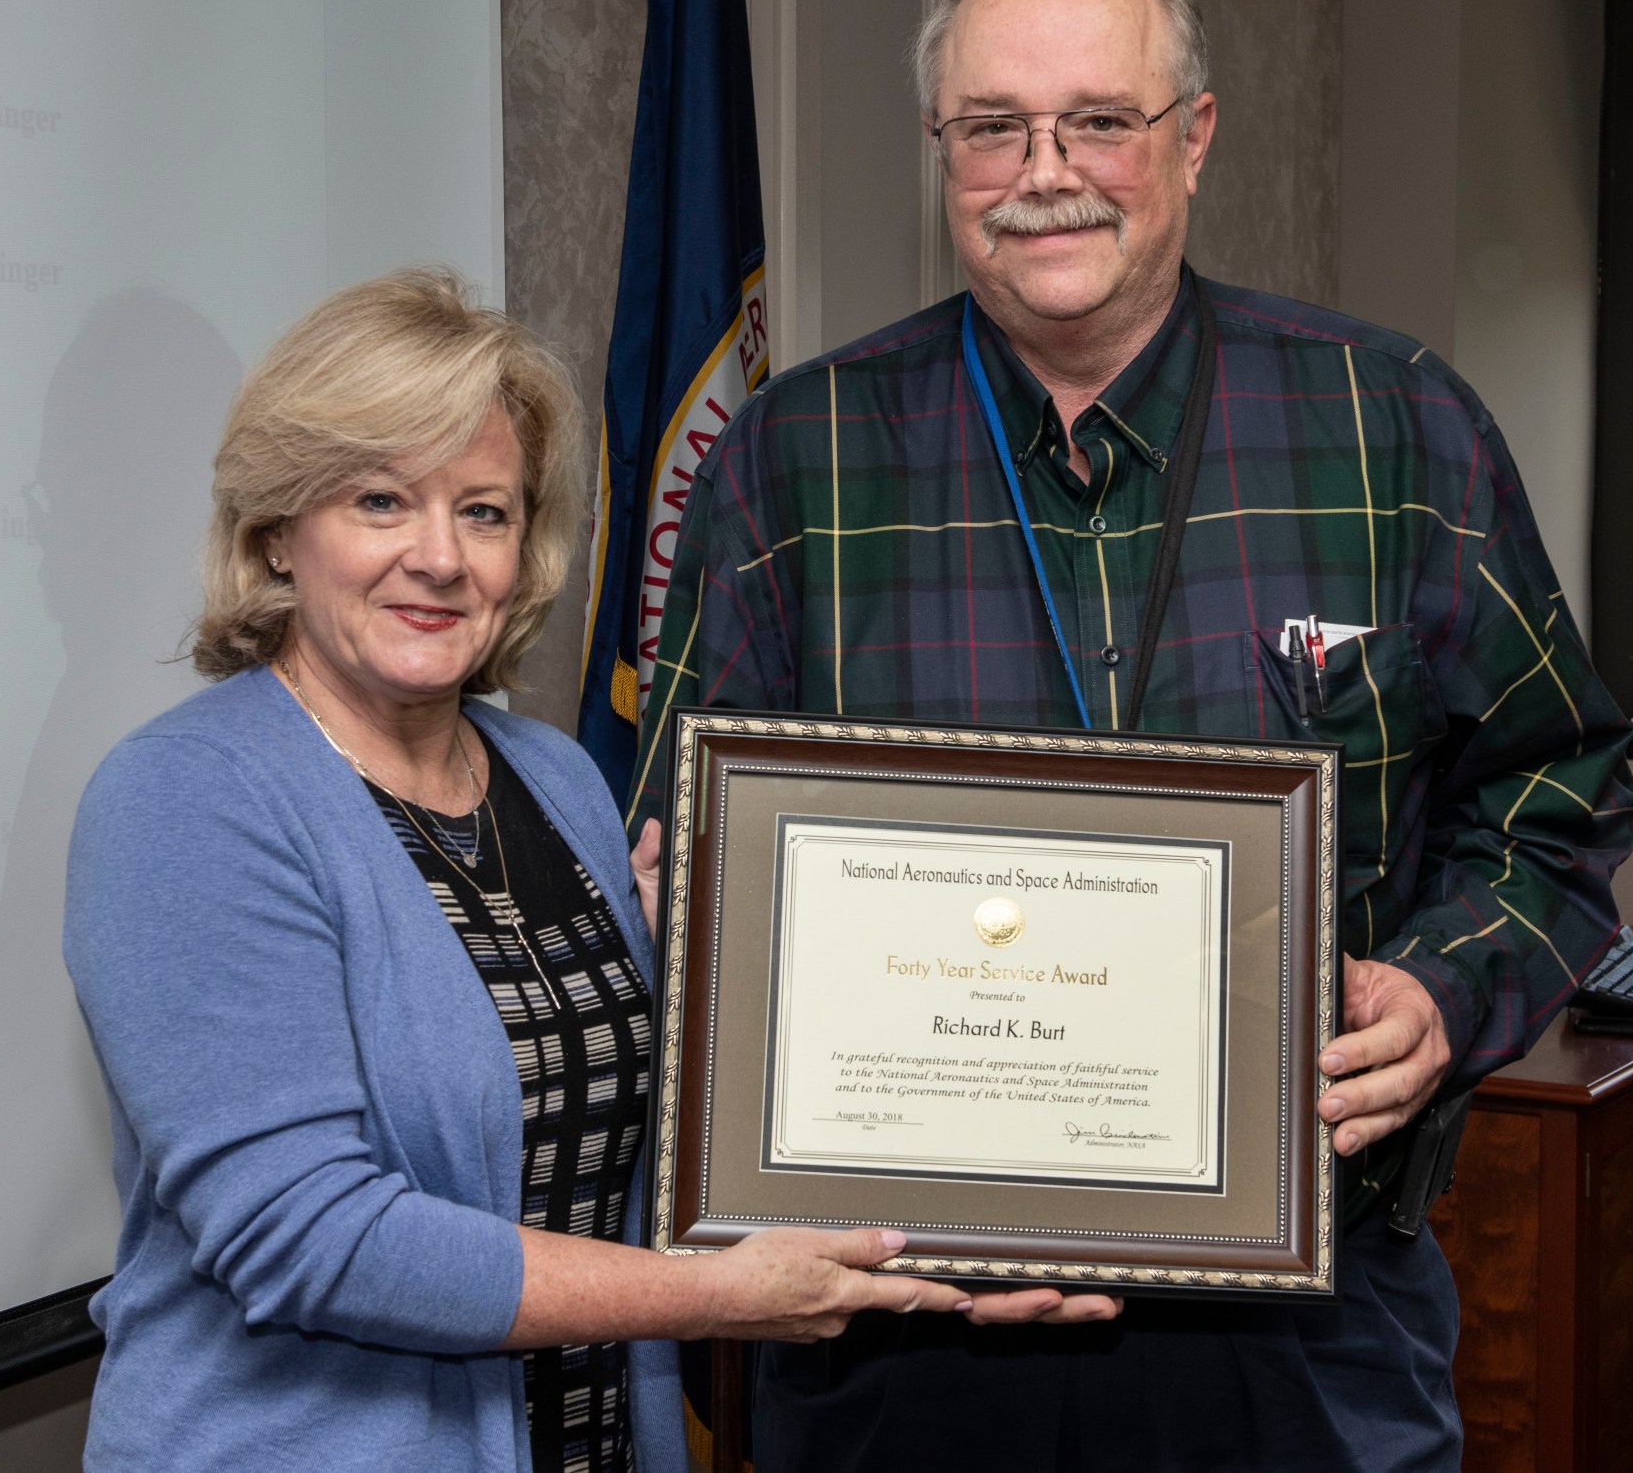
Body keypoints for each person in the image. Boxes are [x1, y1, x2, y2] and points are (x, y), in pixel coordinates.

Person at [628, 0, 1633, 1471]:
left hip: (1305, 1336)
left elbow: (1553, 796)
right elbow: (682, 842)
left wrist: (1442, 991)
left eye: (1101, 119)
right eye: (993, 127)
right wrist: (688, 890)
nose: (1048, 169)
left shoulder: (1395, 426)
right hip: (907, 1335)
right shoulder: (794, 460)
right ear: (940, 147)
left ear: (1195, 137)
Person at [61, 269, 977, 1473]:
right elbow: (308, 1237)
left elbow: (631, 1141)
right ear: (278, 530)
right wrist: (710, 1298)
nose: (439, 558)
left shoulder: (556, 780)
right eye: (381, 501)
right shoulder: (187, 800)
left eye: (483, 511)